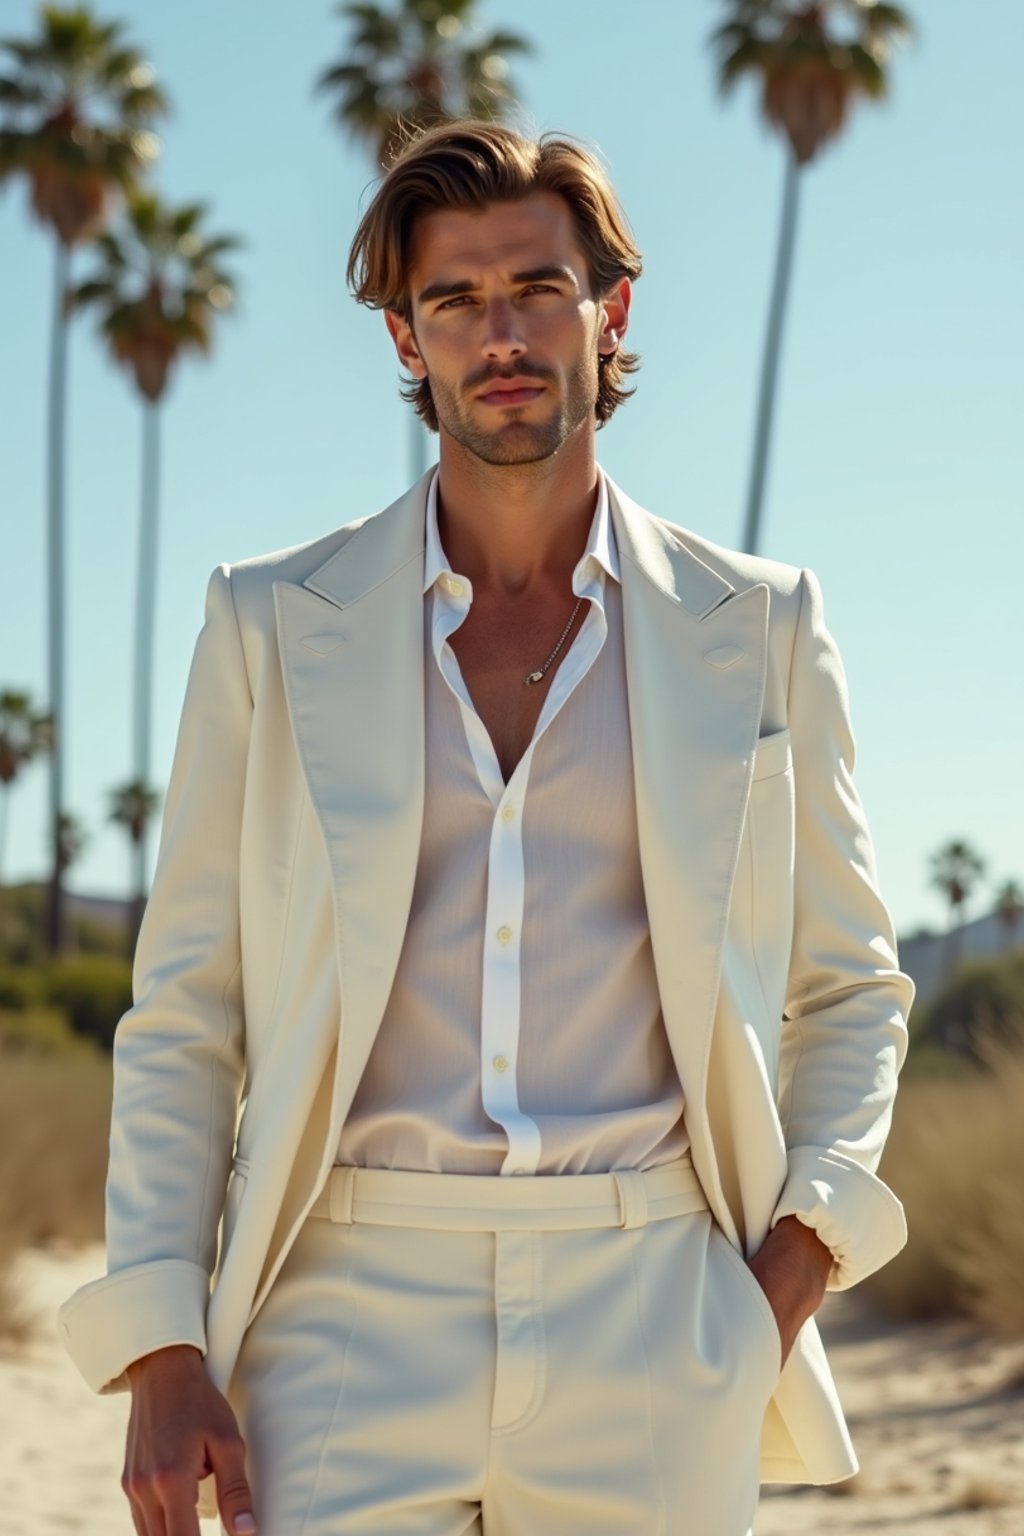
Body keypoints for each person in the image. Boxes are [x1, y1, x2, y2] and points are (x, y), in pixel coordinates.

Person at [57, 119, 913, 1536]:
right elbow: (188, 1012)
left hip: (656, 1311)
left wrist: (782, 1285)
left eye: (536, 289)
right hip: (340, 1306)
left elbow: (852, 985)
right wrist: (159, 1346)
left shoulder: (759, 626)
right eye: (454, 300)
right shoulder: (270, 622)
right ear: (405, 336)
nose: (498, 334)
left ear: (608, 309)